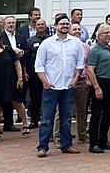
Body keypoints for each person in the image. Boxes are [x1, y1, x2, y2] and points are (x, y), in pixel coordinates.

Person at [34, 15, 87, 157]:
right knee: (47, 118)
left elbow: (80, 64)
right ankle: (43, 147)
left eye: (66, 24)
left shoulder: (76, 43)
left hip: (68, 86)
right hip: (51, 87)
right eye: (61, 24)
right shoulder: (47, 43)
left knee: (67, 118)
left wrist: (75, 80)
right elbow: (39, 65)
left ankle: (66, 145)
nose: (64, 26)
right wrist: (45, 82)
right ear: (56, 26)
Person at [86, 24, 110, 154]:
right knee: (96, 114)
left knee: (107, 114)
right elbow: (90, 69)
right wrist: (96, 88)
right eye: (106, 33)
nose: (109, 35)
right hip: (100, 83)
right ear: (99, 35)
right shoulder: (95, 50)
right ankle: (93, 143)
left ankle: (103, 140)